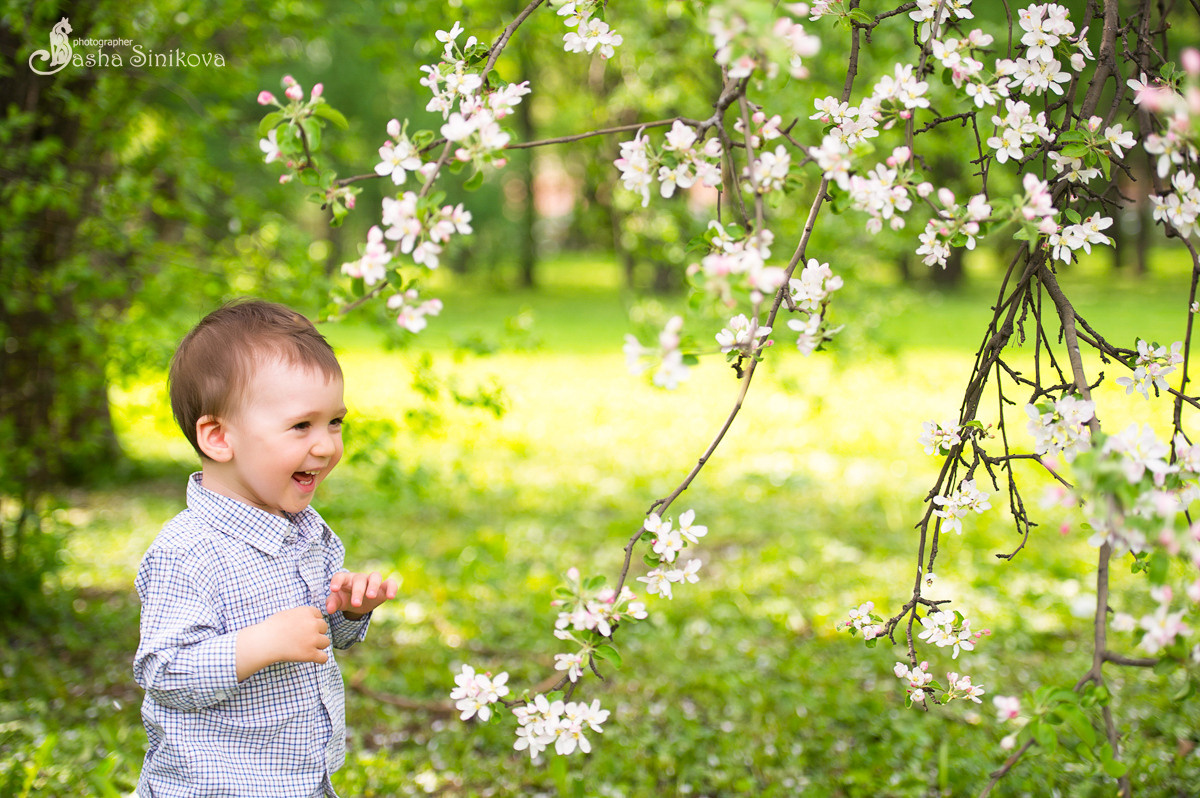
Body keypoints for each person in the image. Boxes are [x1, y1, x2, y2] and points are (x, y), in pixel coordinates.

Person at [133, 299, 398, 797]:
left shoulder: (305, 529)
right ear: (218, 437)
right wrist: (258, 644)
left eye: (335, 422)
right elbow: (162, 671)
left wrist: (348, 610)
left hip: (298, 779)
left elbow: (318, 635)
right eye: (302, 426)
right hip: (214, 787)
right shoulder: (188, 550)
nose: (325, 446)